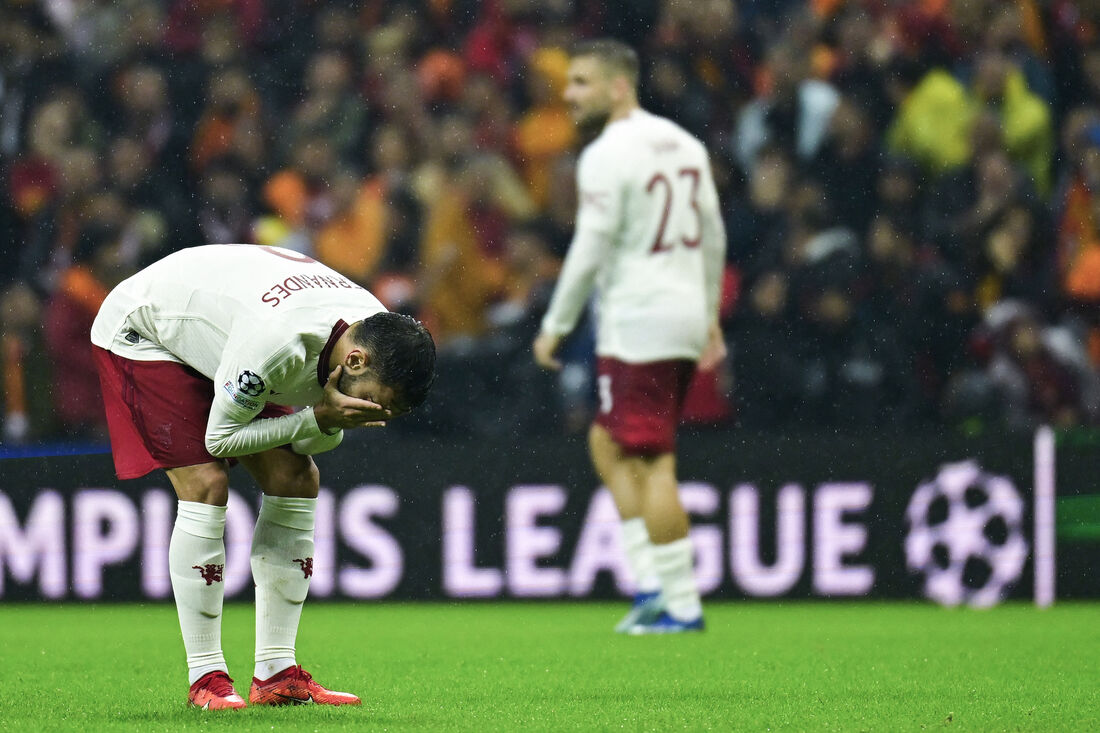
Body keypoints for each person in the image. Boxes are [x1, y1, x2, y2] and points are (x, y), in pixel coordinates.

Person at [90, 243, 435, 709]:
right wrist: (317, 419)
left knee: (296, 478)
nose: (380, 414)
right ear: (353, 362)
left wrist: (323, 421)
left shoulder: (372, 333)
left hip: (227, 335)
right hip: (147, 329)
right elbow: (221, 440)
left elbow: (315, 437)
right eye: (382, 401)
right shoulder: (280, 344)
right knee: (206, 483)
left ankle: (276, 674)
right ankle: (205, 679)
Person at [533, 40, 727, 634]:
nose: (569, 95)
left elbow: (589, 248)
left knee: (651, 459)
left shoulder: (607, 154)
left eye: (583, 83)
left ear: (620, 86)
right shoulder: (685, 145)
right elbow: (714, 233)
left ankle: (681, 605)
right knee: (607, 441)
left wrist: (555, 326)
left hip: (639, 317)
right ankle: (650, 584)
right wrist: (711, 313)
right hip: (684, 309)